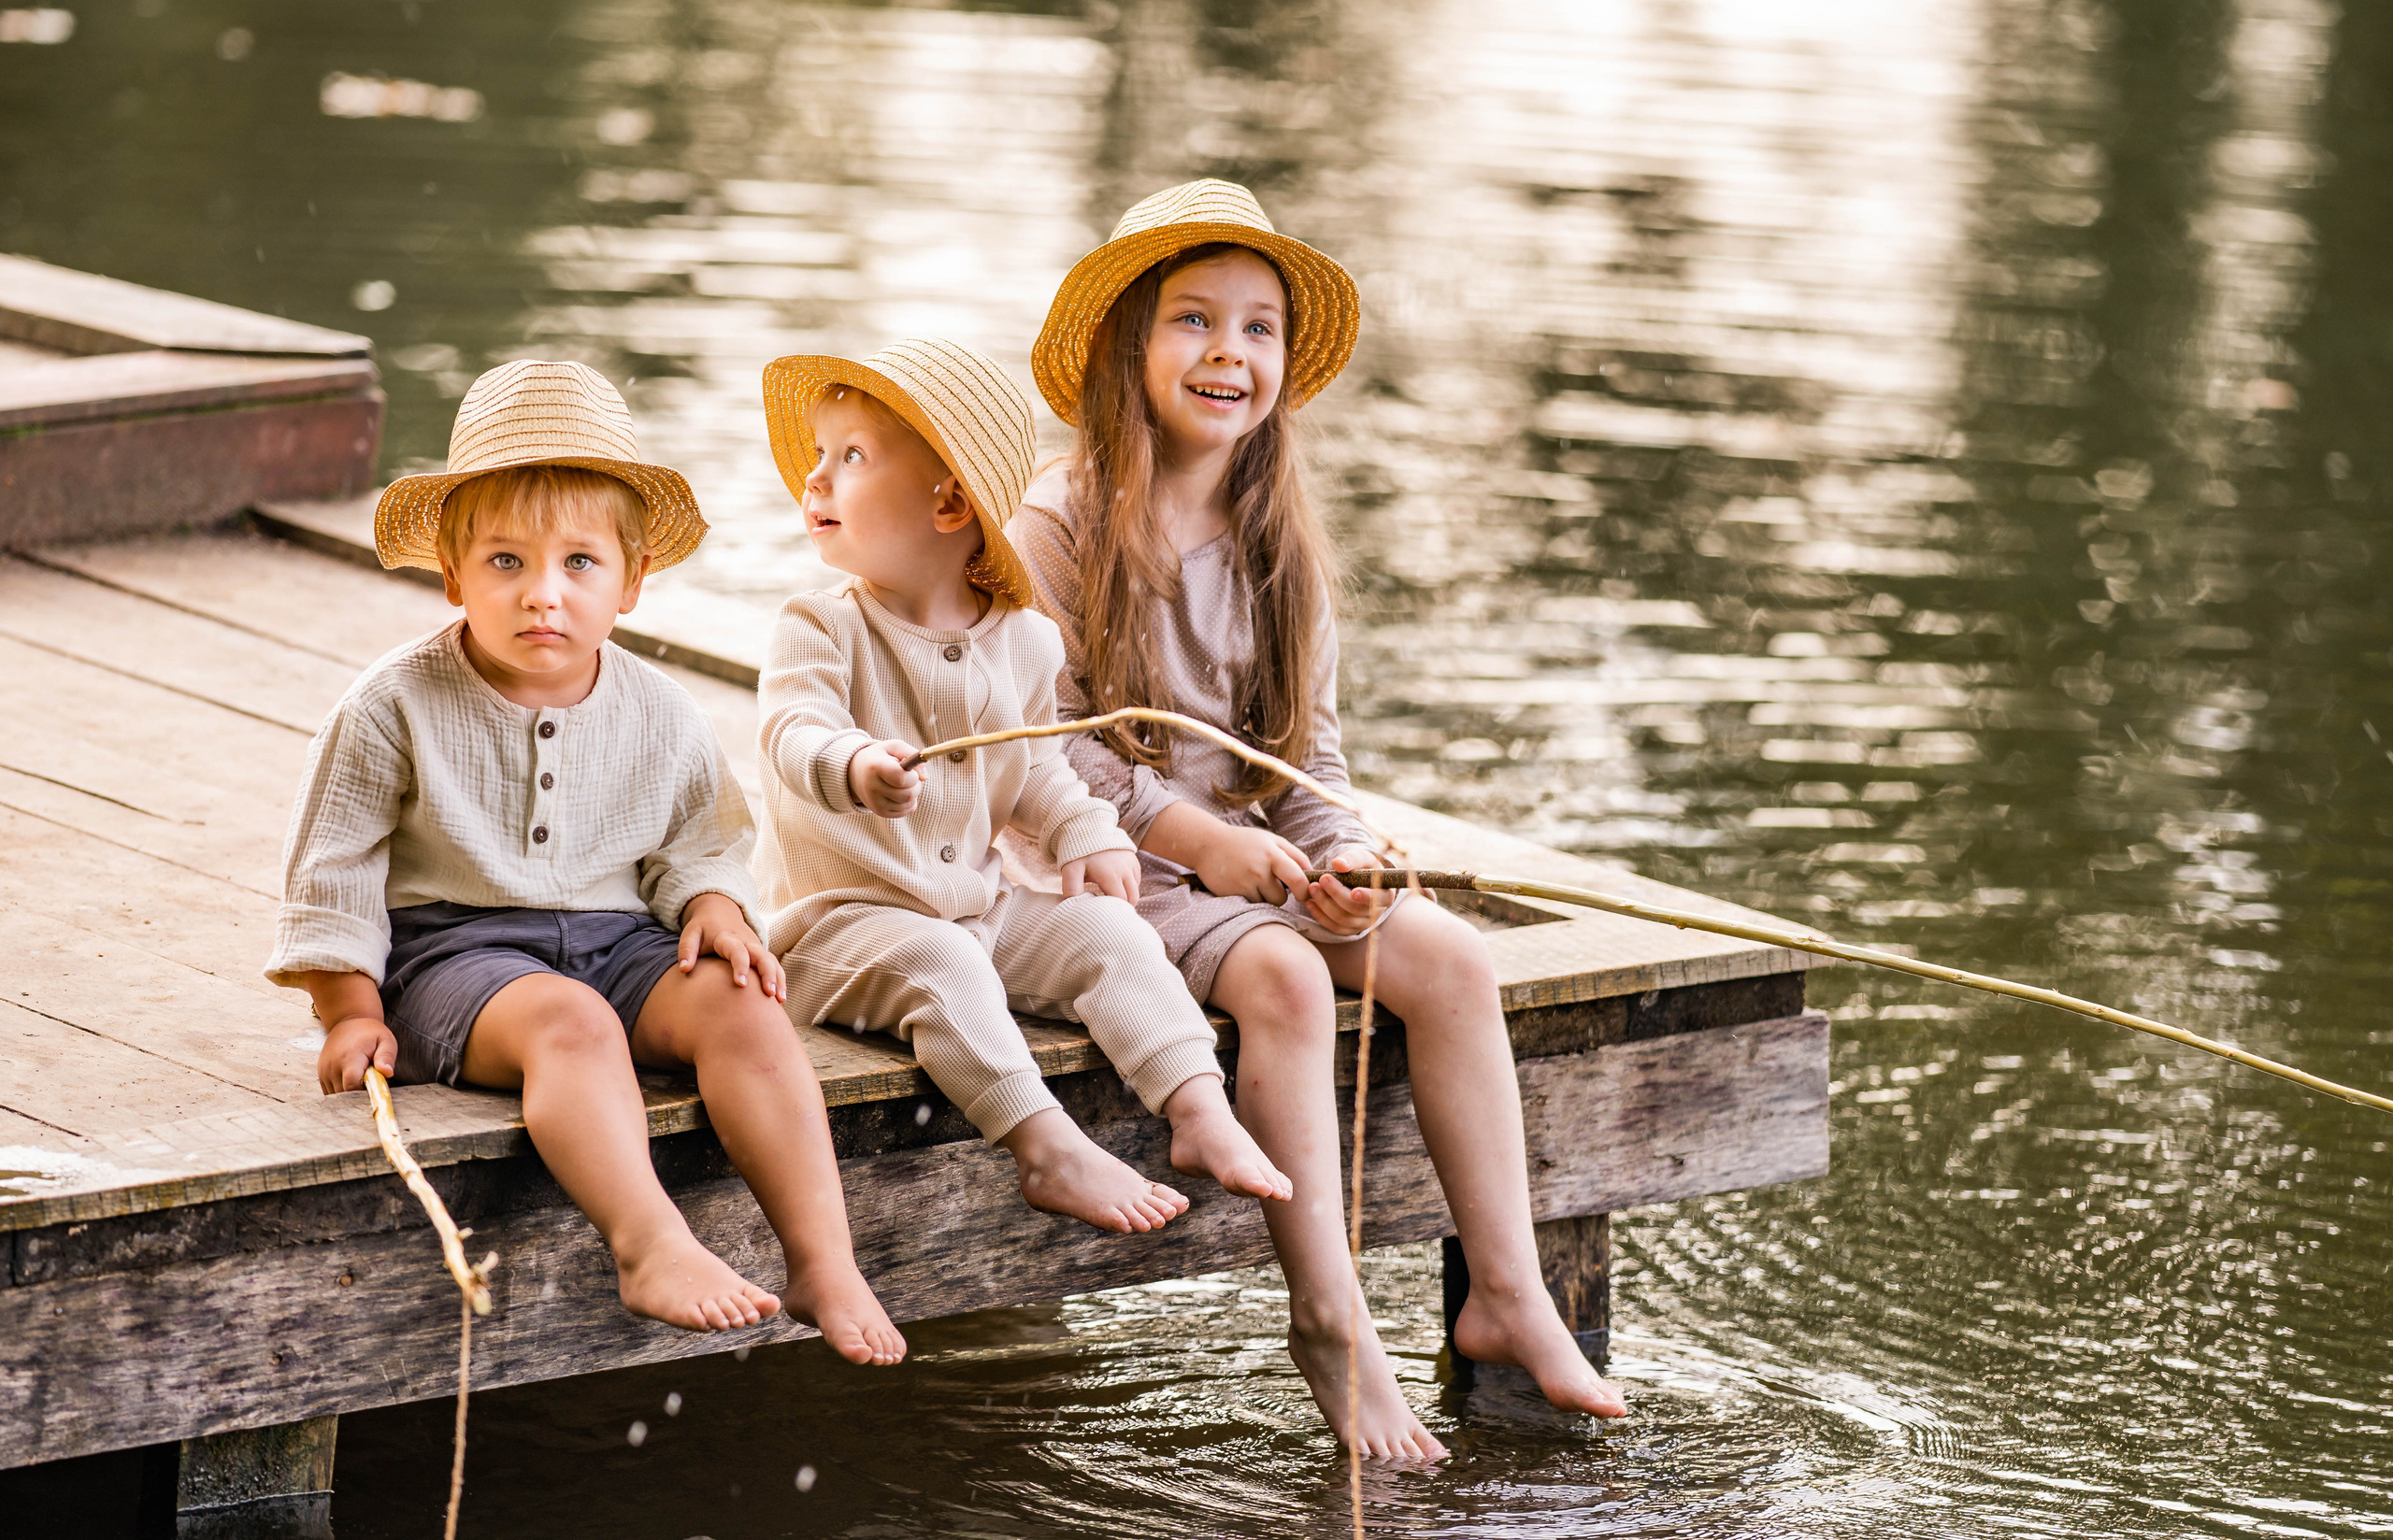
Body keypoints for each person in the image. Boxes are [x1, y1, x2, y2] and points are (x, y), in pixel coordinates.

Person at [1008, 180, 1631, 1458]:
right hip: (1102, 874)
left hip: (1254, 859)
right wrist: (1207, 844)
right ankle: (1330, 1316)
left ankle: (1506, 1296)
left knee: (1450, 955)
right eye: (1192, 320)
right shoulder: (1056, 526)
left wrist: (1345, 852)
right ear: (1127, 342)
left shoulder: (1275, 537)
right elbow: (1049, 750)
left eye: (1258, 328)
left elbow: (1309, 756)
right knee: (1285, 976)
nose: (1228, 353)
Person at [266, 360, 903, 1362]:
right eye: (507, 563)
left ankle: (822, 1256)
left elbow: (703, 838)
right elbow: (334, 865)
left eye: (579, 565)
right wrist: (349, 1009)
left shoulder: (658, 710)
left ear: (631, 583)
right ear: (454, 574)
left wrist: (715, 908)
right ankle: (649, 1243)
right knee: (571, 1023)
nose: (543, 596)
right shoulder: (393, 705)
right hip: (456, 960)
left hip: (620, 942)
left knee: (743, 1001)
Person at [750, 337, 1290, 1236]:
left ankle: (1198, 1108)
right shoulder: (818, 626)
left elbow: (1041, 765)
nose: (814, 481)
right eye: (817, 457)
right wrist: (852, 764)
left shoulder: (1024, 641)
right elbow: (789, 730)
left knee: (1104, 929)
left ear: (950, 501)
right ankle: (1044, 1144)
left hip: (979, 907)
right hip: (840, 927)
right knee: (943, 962)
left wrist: (1087, 830)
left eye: (848, 458)